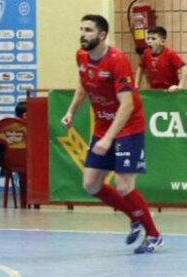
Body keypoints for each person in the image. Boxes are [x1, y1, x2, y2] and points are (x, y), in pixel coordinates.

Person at [60, 14, 163, 254]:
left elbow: (126, 105)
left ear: (102, 35)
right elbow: (84, 84)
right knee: (91, 184)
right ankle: (134, 216)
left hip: (127, 126)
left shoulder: (117, 61)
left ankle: (154, 235)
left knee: (124, 185)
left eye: (88, 30)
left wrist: (108, 139)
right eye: (81, 29)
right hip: (103, 127)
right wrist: (71, 111)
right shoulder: (81, 56)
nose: (83, 34)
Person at [135, 26, 187, 92]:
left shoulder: (170, 54)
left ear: (162, 41)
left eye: (153, 39)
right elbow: (140, 67)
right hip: (155, 92)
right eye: (148, 38)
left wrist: (180, 86)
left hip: (170, 91)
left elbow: (184, 68)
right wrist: (136, 84)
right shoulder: (146, 53)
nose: (149, 41)